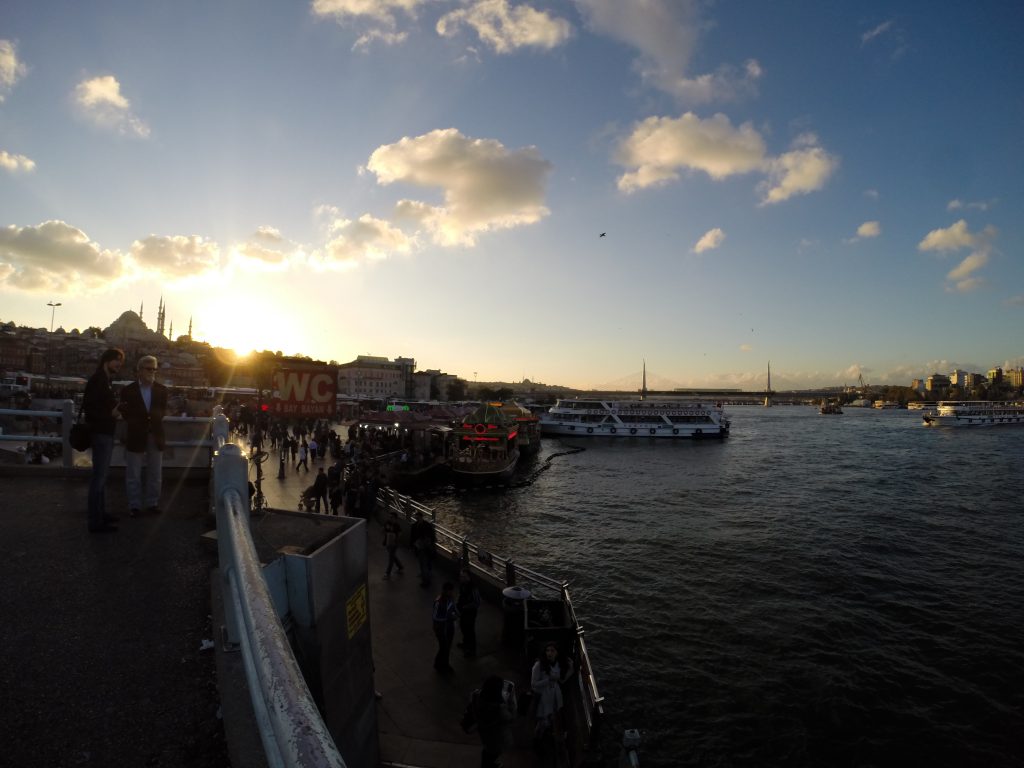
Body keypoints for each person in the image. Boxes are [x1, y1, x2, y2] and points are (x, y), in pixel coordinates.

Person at [119, 355, 168, 518]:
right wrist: (139, 422)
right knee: (133, 473)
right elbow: (125, 412)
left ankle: (153, 503)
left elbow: (162, 411)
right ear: (139, 370)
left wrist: (151, 420)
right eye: (149, 369)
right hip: (135, 434)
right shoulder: (128, 390)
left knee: (156, 472)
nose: (152, 372)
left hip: (155, 434)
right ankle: (134, 505)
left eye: (154, 369)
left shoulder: (162, 390)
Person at [83, 347, 124, 533]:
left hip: (105, 432)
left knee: (101, 476)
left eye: (121, 361)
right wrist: (111, 414)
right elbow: (91, 409)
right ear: (107, 360)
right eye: (117, 360)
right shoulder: (98, 380)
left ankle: (101, 513)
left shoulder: (105, 380)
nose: (119, 364)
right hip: (100, 433)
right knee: (98, 477)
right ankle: (95, 521)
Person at [530, 642, 574, 739]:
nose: (549, 653)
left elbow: (561, 680)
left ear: (557, 653)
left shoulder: (557, 665)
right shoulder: (538, 665)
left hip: (554, 693)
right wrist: (548, 680)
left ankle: (544, 734)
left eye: (552, 651)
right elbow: (533, 684)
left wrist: (571, 669)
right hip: (542, 695)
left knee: (551, 715)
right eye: (547, 650)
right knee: (542, 719)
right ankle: (537, 738)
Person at [473, 675, 516, 768]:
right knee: (493, 753)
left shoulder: (477, 697)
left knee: (487, 750)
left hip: (484, 733)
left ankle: (487, 764)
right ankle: (488, 765)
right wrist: (511, 701)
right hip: (497, 738)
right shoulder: (500, 709)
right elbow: (511, 718)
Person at [432, 581, 459, 672]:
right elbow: (435, 617)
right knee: (444, 647)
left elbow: (453, 607)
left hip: (449, 626)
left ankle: (445, 664)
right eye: (450, 591)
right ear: (445, 591)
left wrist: (457, 614)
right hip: (440, 628)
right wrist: (448, 618)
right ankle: (439, 664)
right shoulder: (438, 602)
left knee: (447, 647)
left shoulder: (450, 598)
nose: (452, 593)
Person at [457, 567, 481, 657]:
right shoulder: (462, 585)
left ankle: (472, 650)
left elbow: (477, 602)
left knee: (470, 630)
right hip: (463, 610)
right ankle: (465, 643)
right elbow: (461, 595)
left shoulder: (473, 588)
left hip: (470, 612)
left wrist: (465, 606)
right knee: (463, 626)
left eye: (464, 577)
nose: (462, 578)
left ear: (469, 577)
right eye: (461, 576)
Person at [409, 510, 436, 587]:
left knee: (423, 564)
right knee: (425, 563)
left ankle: (426, 580)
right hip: (422, 547)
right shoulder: (421, 525)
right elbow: (412, 537)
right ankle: (427, 575)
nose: (417, 518)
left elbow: (431, 536)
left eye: (417, 517)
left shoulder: (421, 525)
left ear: (420, 517)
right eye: (416, 517)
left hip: (424, 548)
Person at [382, 511, 404, 579]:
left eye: (392, 517)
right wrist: (385, 532)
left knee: (391, 558)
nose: (390, 518)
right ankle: (400, 567)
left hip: (394, 543)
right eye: (390, 517)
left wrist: (395, 537)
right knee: (393, 556)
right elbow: (384, 530)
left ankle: (387, 573)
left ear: (395, 518)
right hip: (387, 542)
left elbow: (400, 533)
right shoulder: (387, 522)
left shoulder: (397, 525)